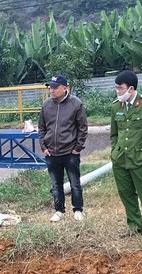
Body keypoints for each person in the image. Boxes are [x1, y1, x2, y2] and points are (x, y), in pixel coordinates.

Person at [110, 70, 142, 238]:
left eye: (120, 88)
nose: (118, 91)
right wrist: (114, 151)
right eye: (116, 88)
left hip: (139, 159)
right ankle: (134, 227)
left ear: (131, 89)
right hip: (120, 159)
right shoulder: (116, 106)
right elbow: (114, 134)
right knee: (126, 194)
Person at [37, 74, 89, 222]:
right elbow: (41, 127)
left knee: (75, 183)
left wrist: (78, 147)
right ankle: (59, 210)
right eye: (50, 88)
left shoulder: (75, 104)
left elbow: (82, 128)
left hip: (70, 152)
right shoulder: (46, 104)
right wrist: (43, 147)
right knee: (56, 184)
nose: (51, 91)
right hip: (51, 152)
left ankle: (78, 210)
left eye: (55, 88)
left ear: (64, 88)